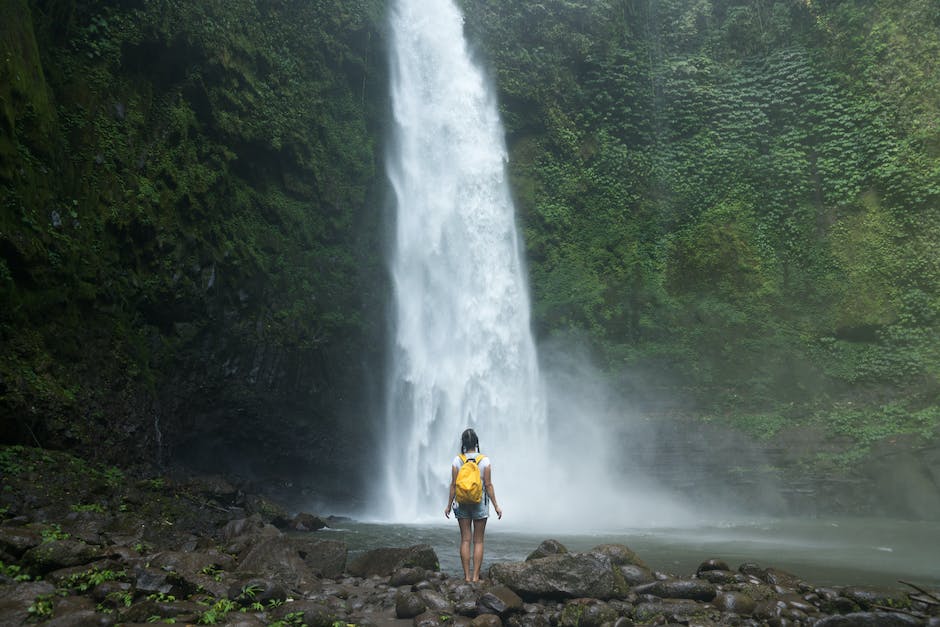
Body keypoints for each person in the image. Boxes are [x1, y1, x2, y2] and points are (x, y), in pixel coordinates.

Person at [444, 428, 502, 582]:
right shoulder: (485, 461)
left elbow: (453, 486)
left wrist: (449, 505)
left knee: (465, 540)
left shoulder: (457, 460)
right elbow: (488, 485)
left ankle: (467, 577)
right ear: (476, 443)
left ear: (463, 443)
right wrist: (496, 506)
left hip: (462, 502)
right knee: (478, 540)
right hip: (479, 503)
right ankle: (476, 577)